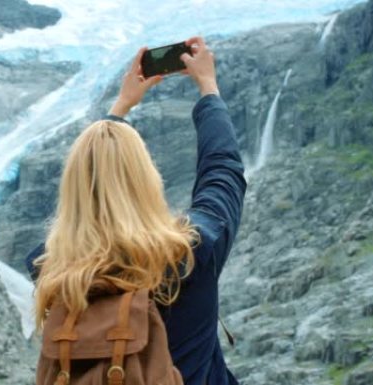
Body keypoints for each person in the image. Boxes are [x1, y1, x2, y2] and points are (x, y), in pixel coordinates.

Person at [25, 36, 247, 385]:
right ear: (147, 177)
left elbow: (95, 185)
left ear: (74, 188)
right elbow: (222, 174)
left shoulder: (49, 268)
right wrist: (208, 88)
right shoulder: (191, 253)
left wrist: (119, 110)